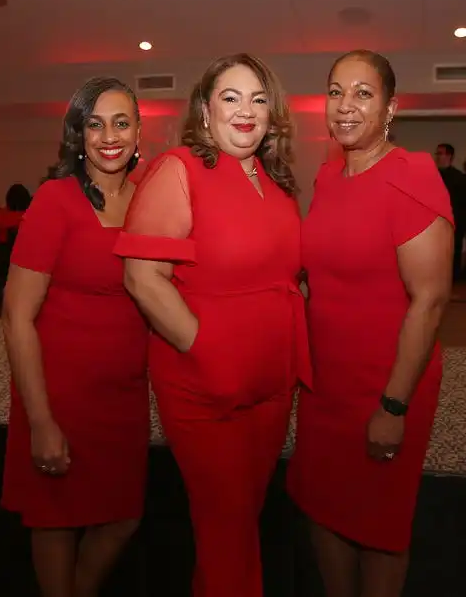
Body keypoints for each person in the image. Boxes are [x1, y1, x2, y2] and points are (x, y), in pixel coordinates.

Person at [114, 52, 311, 597]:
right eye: (231, 97)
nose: (245, 111)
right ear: (205, 110)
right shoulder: (180, 169)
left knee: (242, 523)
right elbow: (143, 278)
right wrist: (208, 347)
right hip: (205, 385)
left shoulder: (276, 184)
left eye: (258, 98)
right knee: (227, 532)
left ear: (272, 114)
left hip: (271, 387)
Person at [287, 50, 453, 597]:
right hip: (326, 382)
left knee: (379, 525)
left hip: (387, 382)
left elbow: (428, 301)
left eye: (363, 92)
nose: (346, 105)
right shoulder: (329, 175)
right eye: (336, 91)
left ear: (390, 108)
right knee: (321, 502)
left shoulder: (413, 177)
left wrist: (393, 406)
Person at [2, 77, 150, 597]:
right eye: (94, 123)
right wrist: (40, 421)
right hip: (58, 392)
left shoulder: (151, 198)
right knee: (56, 520)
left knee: (124, 516)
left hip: (124, 398)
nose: (108, 135)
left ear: (138, 131)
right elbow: (17, 314)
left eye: (121, 121)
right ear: (78, 135)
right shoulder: (55, 199)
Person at [435, 143, 466, 280]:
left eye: (440, 153)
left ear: (449, 156)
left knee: (454, 252)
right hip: (435, 222)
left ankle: (454, 278)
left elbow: (461, 204)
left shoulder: (459, 178)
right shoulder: (433, 175)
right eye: (437, 154)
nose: (438, 157)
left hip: (454, 222)